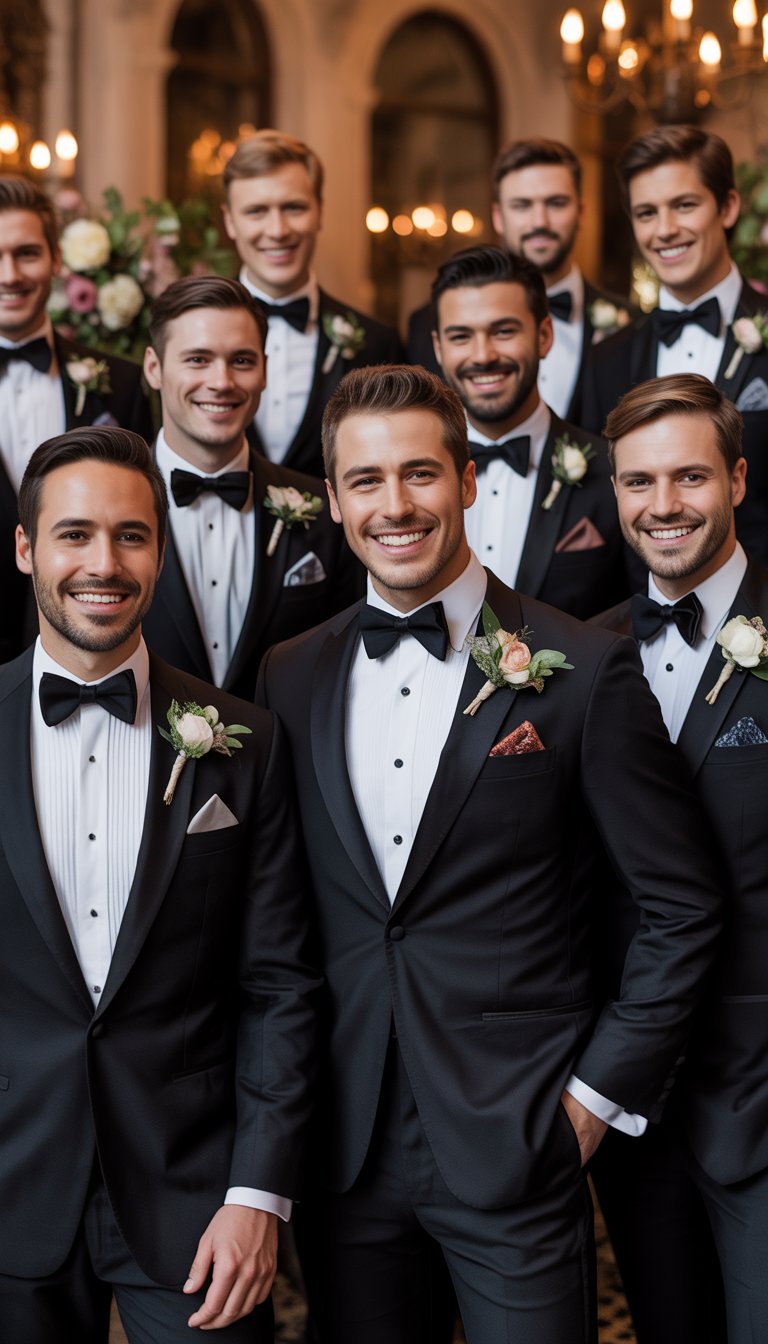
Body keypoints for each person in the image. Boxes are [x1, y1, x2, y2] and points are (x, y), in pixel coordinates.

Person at [256, 362, 724, 1343]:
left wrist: (592, 1102)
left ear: (467, 480)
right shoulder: (289, 677)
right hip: (344, 1148)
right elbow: (282, 920)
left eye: (421, 473)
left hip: (520, 1139)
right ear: (333, 500)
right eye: (367, 481)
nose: (396, 505)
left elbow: (682, 905)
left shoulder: (585, 668)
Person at [0, 425, 320, 1343]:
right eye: (73, 534)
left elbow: (281, 987)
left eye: (131, 535)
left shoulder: (245, 741)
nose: (104, 563)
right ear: (25, 549)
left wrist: (257, 1195)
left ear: (161, 551)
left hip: (197, 1195)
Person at [593, 372, 768, 1344]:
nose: (664, 505)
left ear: (736, 480)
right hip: (636, 1103)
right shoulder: (582, 658)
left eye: (690, 476)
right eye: (639, 481)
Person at [140, 275, 362, 699]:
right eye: (198, 360)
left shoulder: (325, 512)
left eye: (241, 360)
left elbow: (348, 666)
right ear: (154, 368)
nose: (222, 381)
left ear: (264, 370)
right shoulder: (104, 510)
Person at [581, 125, 768, 566]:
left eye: (684, 205)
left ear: (727, 207)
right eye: (646, 213)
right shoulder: (606, 360)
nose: (664, 230)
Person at [431, 244, 633, 618]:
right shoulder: (411, 481)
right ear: (438, 348)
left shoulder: (613, 474)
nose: (483, 355)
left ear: (544, 336)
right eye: (461, 336)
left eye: (503, 331)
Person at [0, 175, 154, 661]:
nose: (9, 274)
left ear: (56, 259)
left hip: (93, 644)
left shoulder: (122, 383)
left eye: (27, 253)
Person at [408, 138, 633, 421]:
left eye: (556, 203)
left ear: (581, 212)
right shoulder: (425, 325)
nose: (540, 221)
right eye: (522, 205)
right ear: (498, 217)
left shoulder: (632, 325)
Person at [222, 129, 403, 479]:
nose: (278, 230)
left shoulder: (379, 344)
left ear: (319, 211)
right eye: (256, 211)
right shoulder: (186, 338)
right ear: (230, 221)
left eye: (294, 208)